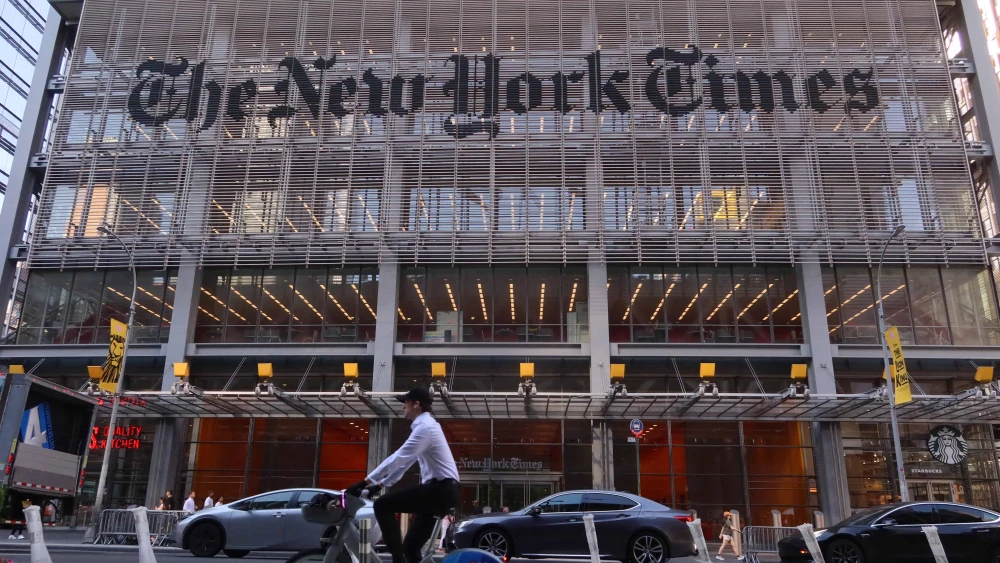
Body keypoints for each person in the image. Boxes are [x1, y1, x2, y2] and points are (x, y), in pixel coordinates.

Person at [345, 388, 460, 563]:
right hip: (442, 491)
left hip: (440, 490)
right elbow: (404, 463)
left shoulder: (425, 428)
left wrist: (364, 482)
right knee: (411, 548)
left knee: (383, 505)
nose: (403, 407)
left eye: (405, 403)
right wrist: (380, 485)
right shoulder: (426, 426)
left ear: (416, 405)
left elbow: (398, 458)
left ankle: (397, 559)